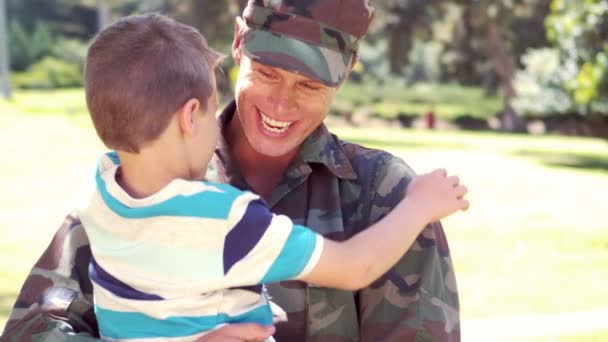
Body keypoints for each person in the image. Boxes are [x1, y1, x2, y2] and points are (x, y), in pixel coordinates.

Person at [2, 1, 465, 341]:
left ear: (344, 75)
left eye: (309, 83)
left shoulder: (384, 196)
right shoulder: (141, 181)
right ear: (240, 44)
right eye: (266, 73)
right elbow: (33, 329)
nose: (282, 104)